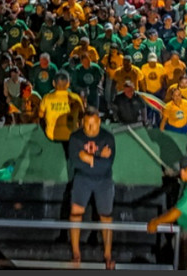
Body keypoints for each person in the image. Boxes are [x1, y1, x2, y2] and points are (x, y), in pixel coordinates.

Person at [68, 108, 116, 268]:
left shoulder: (107, 138)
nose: (90, 128)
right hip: (82, 179)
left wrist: (89, 159)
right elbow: (76, 162)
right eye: (87, 124)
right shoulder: (75, 138)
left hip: (104, 180)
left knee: (106, 216)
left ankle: (107, 254)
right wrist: (99, 157)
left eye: (93, 124)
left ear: (99, 122)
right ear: (82, 123)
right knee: (75, 213)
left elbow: (107, 164)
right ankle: (76, 254)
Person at [146, 155, 187, 270]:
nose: (181, 173)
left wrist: (155, 222)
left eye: (184, 170)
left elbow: (175, 213)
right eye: (181, 170)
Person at [39, 72, 83, 145]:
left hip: (51, 137)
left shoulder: (46, 98)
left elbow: (40, 115)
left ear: (53, 83)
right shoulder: (75, 98)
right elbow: (82, 117)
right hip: (71, 137)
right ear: (68, 84)